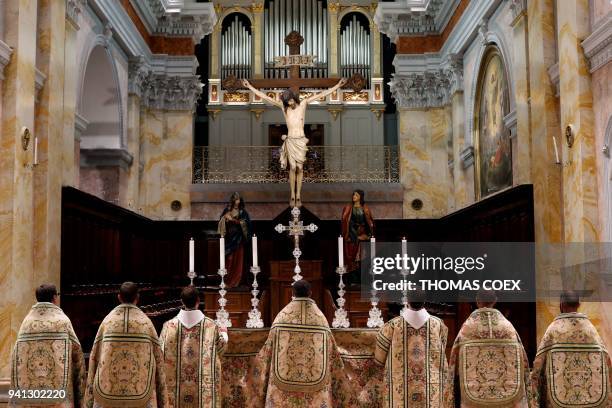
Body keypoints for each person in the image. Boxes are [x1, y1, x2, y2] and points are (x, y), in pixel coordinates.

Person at [248, 279, 356, 407]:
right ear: (310, 293)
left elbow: (267, 352)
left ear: (292, 293)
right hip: (316, 386)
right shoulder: (320, 319)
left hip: (282, 385)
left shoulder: (281, 318)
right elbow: (332, 353)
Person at [242, 78, 347, 207]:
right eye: (287, 101)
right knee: (292, 167)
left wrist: (337, 85)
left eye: (290, 100)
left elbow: (321, 94)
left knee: (300, 168)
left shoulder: (303, 104)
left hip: (301, 141)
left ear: (294, 98)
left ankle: (298, 195)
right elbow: (266, 98)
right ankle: (292, 194)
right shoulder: (284, 108)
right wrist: (249, 87)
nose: (289, 103)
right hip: (291, 141)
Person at [444, 290, 533, 407]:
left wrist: (450, 398)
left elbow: (453, 364)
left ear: (477, 301)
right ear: (495, 301)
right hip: (507, 396)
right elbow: (524, 363)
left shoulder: (468, 328)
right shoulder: (508, 327)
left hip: (474, 397)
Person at [85, 282, 168, 408]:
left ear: (119, 297)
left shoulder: (108, 322)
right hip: (142, 396)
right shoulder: (146, 324)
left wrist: (89, 400)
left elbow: (94, 358)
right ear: (137, 298)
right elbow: (158, 362)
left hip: (107, 394)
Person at [10, 284, 86, 407]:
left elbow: (17, 357)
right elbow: (77, 355)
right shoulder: (62, 322)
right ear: (54, 297)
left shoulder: (27, 323)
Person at [531, 291, 611, 407]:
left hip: (558, 400)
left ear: (561, 305)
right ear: (578, 305)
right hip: (589, 401)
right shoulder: (591, 330)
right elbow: (606, 363)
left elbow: (538, 367)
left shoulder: (554, 330)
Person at [374, 290, 449, 407]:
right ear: (424, 302)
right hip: (430, 387)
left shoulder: (393, 325)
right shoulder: (438, 324)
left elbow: (379, 357)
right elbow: (442, 346)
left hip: (400, 388)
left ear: (407, 301)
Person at [159, 286, 228, 408]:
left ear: (181, 301)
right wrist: (224, 333)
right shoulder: (211, 326)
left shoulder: (169, 326)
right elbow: (221, 348)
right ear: (198, 301)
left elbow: (160, 352)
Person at [218, 192, 252, 288]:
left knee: (238, 260)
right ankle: (227, 280)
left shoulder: (242, 212)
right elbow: (221, 221)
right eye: (235, 199)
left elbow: (247, 224)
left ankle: (237, 281)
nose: (237, 201)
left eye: (238, 199)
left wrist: (234, 221)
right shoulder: (227, 210)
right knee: (229, 259)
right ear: (232, 200)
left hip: (238, 240)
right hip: (229, 239)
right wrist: (225, 218)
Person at [341, 189, 374, 277]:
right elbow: (345, 222)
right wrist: (351, 235)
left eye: (356, 195)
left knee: (362, 257)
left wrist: (367, 235)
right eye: (353, 195)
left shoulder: (365, 208)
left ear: (360, 197)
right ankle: (353, 278)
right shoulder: (348, 208)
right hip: (352, 235)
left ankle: (362, 277)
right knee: (351, 257)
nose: (353, 197)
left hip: (362, 235)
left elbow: (369, 223)